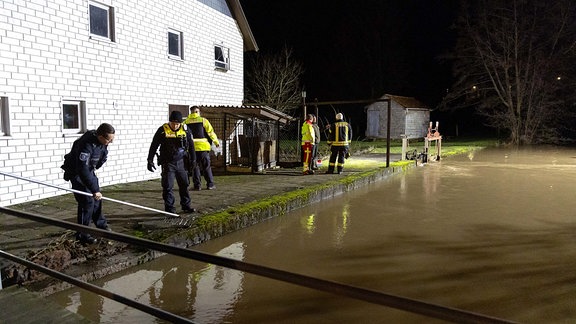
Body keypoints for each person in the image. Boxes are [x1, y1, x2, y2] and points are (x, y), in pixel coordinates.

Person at [61, 123, 115, 245]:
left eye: (112, 140)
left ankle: (101, 224)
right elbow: (82, 169)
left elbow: (100, 159)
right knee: (87, 201)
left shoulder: (102, 143)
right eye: (109, 140)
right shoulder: (85, 144)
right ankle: (83, 234)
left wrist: (95, 189)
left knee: (97, 199)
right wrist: (94, 189)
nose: (110, 143)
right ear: (100, 136)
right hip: (77, 173)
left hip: (88, 170)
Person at [147, 111, 197, 214]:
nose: (175, 126)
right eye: (173, 123)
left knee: (184, 184)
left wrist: (193, 160)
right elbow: (154, 145)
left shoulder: (186, 130)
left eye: (177, 124)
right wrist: (150, 159)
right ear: (169, 122)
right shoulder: (162, 130)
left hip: (181, 162)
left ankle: (186, 206)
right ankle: (169, 209)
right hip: (168, 162)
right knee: (168, 186)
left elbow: (191, 146)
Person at [184, 106, 220, 190]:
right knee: (206, 166)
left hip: (191, 149)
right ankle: (210, 185)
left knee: (195, 167)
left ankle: (197, 186)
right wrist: (216, 142)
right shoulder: (203, 120)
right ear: (198, 112)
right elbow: (210, 132)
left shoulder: (185, 122)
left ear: (191, 112)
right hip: (203, 148)